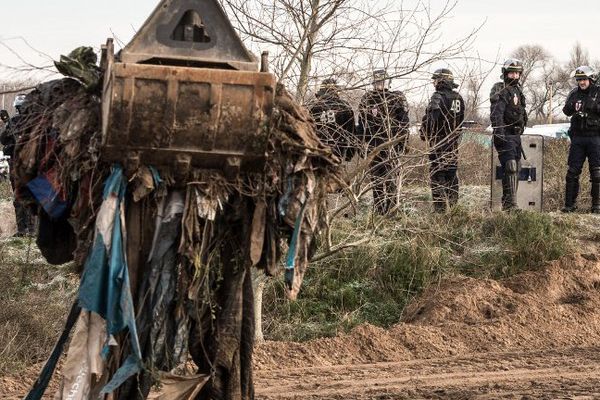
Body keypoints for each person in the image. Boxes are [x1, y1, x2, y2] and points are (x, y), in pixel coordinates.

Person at [358, 69, 410, 214]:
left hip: (392, 143)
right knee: (376, 179)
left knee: (391, 177)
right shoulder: (367, 99)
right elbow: (362, 123)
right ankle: (380, 209)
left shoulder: (396, 98)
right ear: (374, 83)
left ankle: (392, 209)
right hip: (374, 144)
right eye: (377, 82)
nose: (380, 85)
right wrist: (362, 143)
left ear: (388, 82)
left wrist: (404, 142)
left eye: (382, 82)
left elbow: (404, 122)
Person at [420, 68, 465, 212]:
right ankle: (454, 209)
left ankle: (440, 210)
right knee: (452, 175)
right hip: (452, 143)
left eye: (435, 80)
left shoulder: (437, 97)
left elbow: (431, 121)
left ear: (441, 81)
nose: (433, 83)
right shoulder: (458, 98)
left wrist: (425, 134)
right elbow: (460, 123)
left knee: (437, 175)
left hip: (438, 142)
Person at [490, 59, 528, 211]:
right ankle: (512, 205)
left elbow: (521, 111)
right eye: (511, 73)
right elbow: (496, 113)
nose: (514, 76)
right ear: (505, 73)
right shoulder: (500, 89)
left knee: (516, 167)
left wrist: (522, 125)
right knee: (510, 166)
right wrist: (499, 133)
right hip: (504, 134)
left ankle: (507, 203)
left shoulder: (518, 90)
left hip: (515, 135)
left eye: (517, 73)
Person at [562, 66, 600, 213]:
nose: (581, 82)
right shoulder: (574, 93)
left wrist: (594, 107)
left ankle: (596, 206)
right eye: (579, 80)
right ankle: (569, 205)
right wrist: (573, 106)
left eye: (584, 79)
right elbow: (566, 111)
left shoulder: (598, 92)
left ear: (590, 79)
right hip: (578, 138)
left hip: (595, 138)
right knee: (572, 172)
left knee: (597, 173)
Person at [0, 94, 34, 236]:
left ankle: (24, 229)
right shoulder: (34, 121)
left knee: (20, 197)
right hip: (30, 167)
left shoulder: (16, 122)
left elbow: (2, 139)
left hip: (21, 166)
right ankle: (29, 230)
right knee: (30, 196)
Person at [309, 78, 356, 161]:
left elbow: (310, 131)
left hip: (319, 149)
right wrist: (350, 154)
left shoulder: (315, 107)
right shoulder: (344, 106)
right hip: (338, 148)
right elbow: (351, 132)